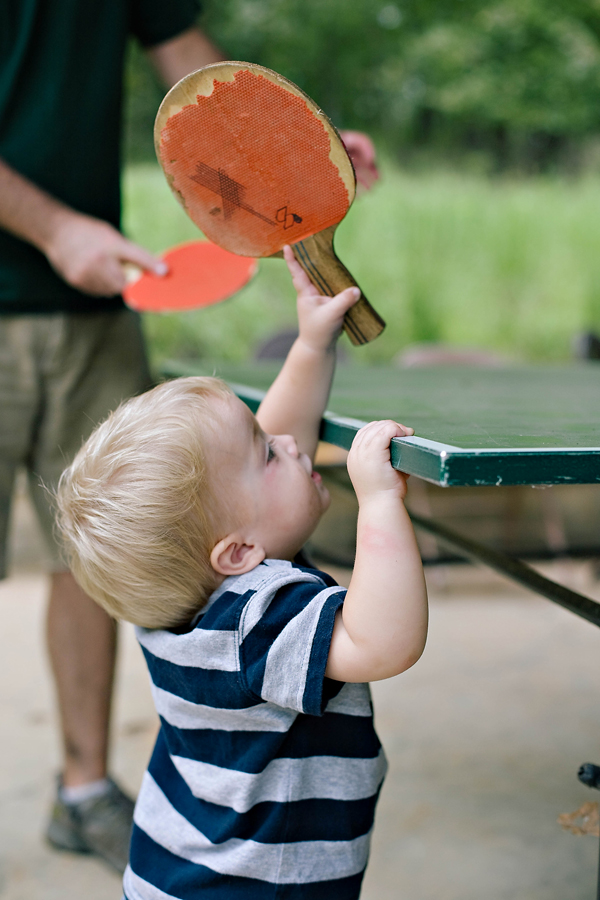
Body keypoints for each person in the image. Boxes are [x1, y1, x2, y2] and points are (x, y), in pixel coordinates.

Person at [55, 247, 428, 899]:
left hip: (177, 870)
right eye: (266, 455)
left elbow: (268, 466)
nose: (289, 443)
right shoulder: (259, 621)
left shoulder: (192, 596)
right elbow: (382, 641)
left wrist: (312, 344)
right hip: (251, 886)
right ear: (236, 554)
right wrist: (381, 503)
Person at [0, 0, 225, 874]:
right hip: (66, 255)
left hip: (96, 309)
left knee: (97, 558)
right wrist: (56, 228)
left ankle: (84, 791)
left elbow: (192, 65)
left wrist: (291, 153)